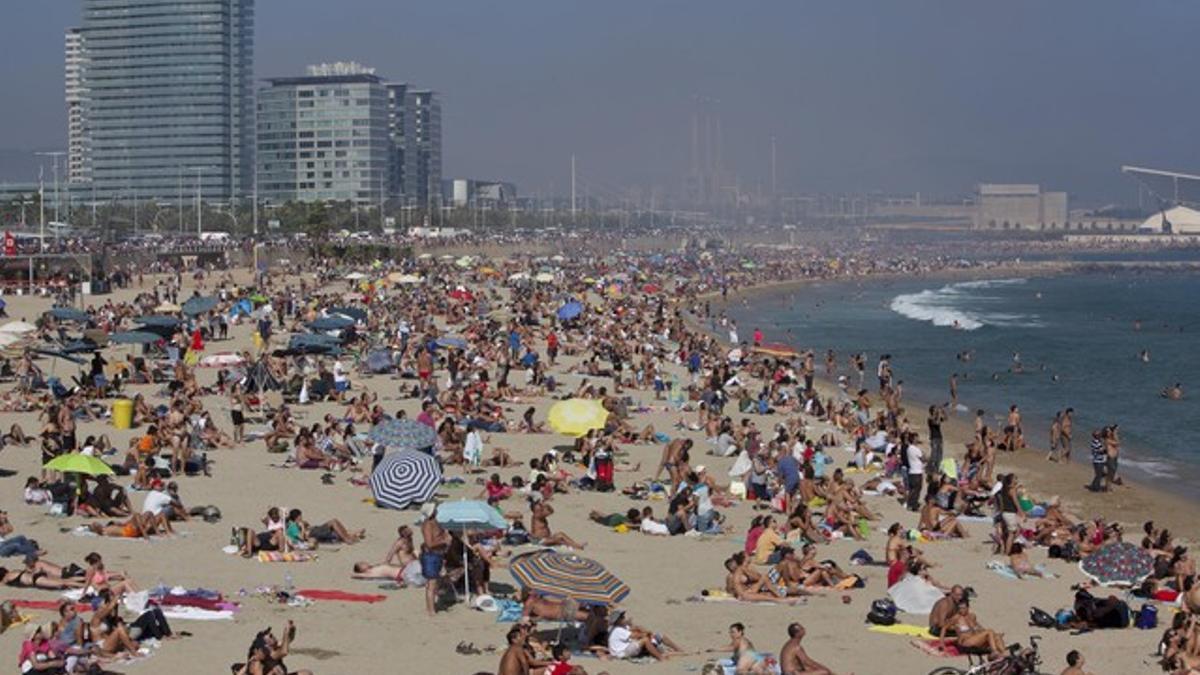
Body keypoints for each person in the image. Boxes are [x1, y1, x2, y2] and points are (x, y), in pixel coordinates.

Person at [606, 610, 682, 661]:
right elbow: (634, 635)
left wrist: (643, 630)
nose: (624, 618)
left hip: (627, 647)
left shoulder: (622, 627)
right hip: (622, 653)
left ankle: (679, 649)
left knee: (660, 635)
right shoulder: (616, 630)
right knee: (645, 640)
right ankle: (661, 658)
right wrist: (646, 633)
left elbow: (634, 629)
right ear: (617, 620)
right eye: (622, 617)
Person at [707, 622, 772, 674]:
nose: (731, 634)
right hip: (752, 661)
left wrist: (715, 649)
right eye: (730, 632)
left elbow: (730, 648)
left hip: (747, 663)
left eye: (733, 632)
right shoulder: (743, 640)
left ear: (740, 632)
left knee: (720, 669)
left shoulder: (739, 640)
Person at [420, 502, 449, 616]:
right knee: (431, 583)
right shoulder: (427, 525)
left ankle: (433, 607)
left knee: (435, 582)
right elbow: (429, 543)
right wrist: (444, 540)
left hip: (438, 555)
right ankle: (431, 610)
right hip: (430, 556)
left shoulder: (436, 523)